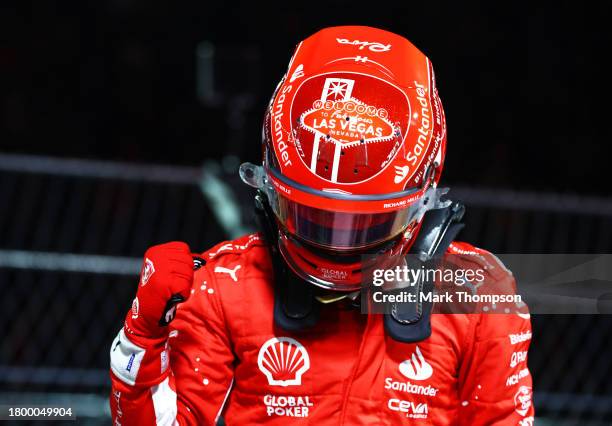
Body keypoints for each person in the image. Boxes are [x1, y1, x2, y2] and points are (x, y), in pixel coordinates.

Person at [109, 26, 534, 425]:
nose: (338, 241)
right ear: (270, 187)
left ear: (424, 197)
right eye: (315, 216)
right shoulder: (224, 286)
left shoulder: (480, 295)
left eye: (366, 222)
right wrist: (141, 337)